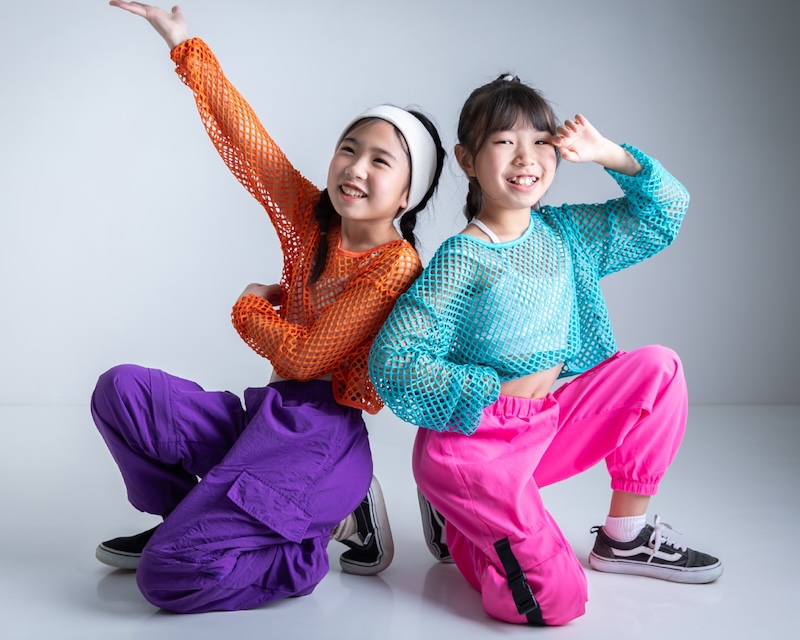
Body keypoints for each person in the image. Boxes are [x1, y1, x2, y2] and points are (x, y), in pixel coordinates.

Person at [92, 1, 445, 613]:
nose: (356, 167)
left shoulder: (395, 265)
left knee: (166, 575)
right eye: (348, 149)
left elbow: (305, 359)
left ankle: (311, 544)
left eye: (380, 160)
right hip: (269, 419)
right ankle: (187, 517)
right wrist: (182, 44)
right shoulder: (312, 218)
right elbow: (249, 143)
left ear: (407, 194)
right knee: (121, 391)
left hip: (318, 442)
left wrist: (250, 310)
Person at [368, 74, 722, 626]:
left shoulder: (566, 234)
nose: (526, 157)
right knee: (557, 600)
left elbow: (665, 212)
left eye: (539, 141)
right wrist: (483, 392)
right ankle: (463, 516)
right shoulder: (463, 257)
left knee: (659, 368)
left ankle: (625, 537)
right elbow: (393, 358)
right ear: (467, 159)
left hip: (544, 424)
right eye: (504, 141)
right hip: (477, 444)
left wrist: (607, 153)